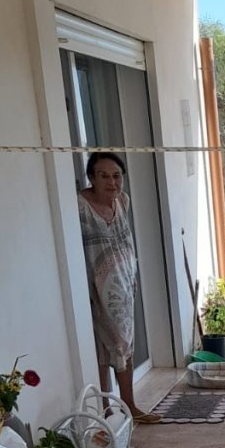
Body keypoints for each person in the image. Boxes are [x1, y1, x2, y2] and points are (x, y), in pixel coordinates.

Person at [76, 151, 160, 424]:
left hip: (123, 285)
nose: (112, 182)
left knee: (125, 343)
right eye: (104, 176)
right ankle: (105, 410)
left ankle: (129, 405)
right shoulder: (79, 206)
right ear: (92, 178)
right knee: (102, 349)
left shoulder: (123, 201)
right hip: (95, 289)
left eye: (116, 176)